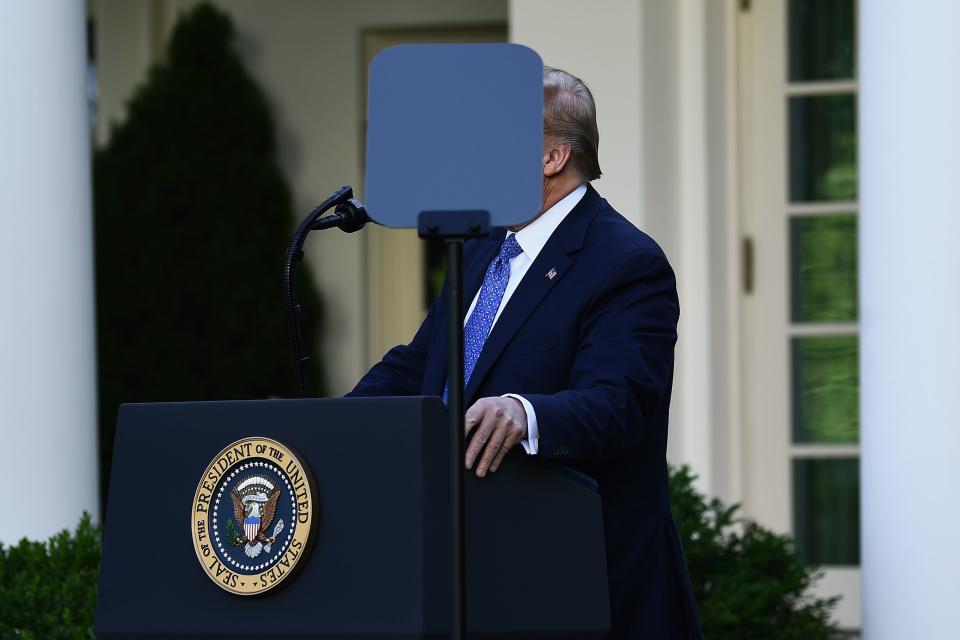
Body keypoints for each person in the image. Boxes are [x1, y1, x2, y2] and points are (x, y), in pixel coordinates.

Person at [349, 66, 702, 639]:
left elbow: (620, 402)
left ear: (552, 159)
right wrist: (333, 422)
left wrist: (524, 410)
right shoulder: (482, 246)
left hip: (577, 581)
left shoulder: (627, 262)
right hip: (464, 568)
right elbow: (424, 362)